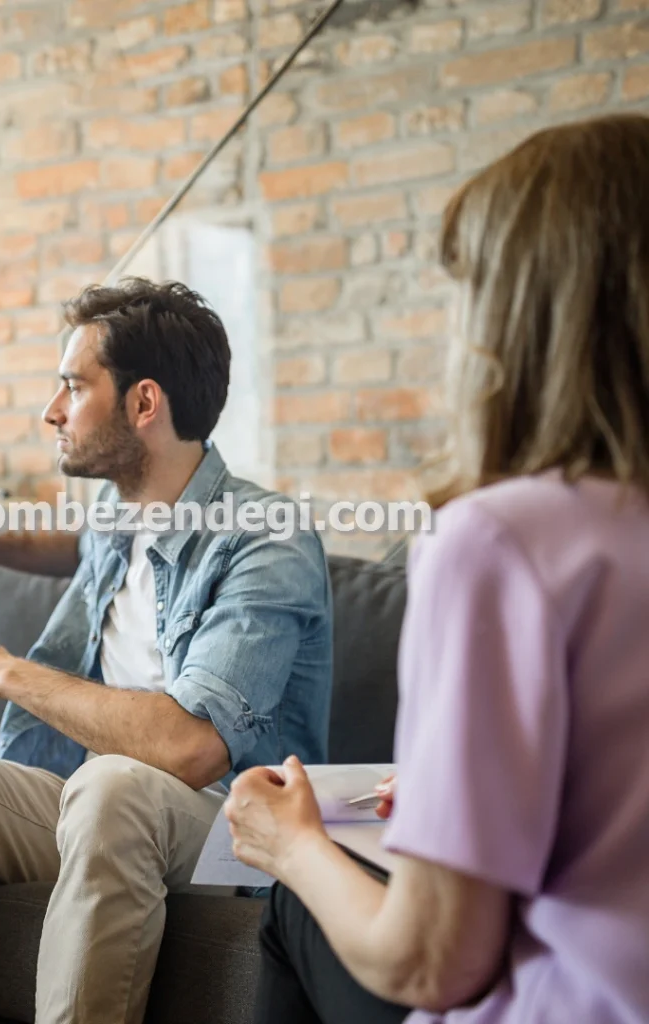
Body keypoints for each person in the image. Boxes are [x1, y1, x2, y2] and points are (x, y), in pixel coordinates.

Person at [224, 114, 649, 1024]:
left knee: (293, 902)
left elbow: (429, 963)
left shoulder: (499, 542)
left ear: (519, 315)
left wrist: (289, 843)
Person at [0, 278, 334, 1024]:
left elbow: (190, 748)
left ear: (144, 403)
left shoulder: (265, 538)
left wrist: (6, 672)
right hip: (94, 809)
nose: (50, 411)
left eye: (71, 386)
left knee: (116, 785)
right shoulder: (123, 512)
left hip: (234, 831)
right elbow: (68, 545)